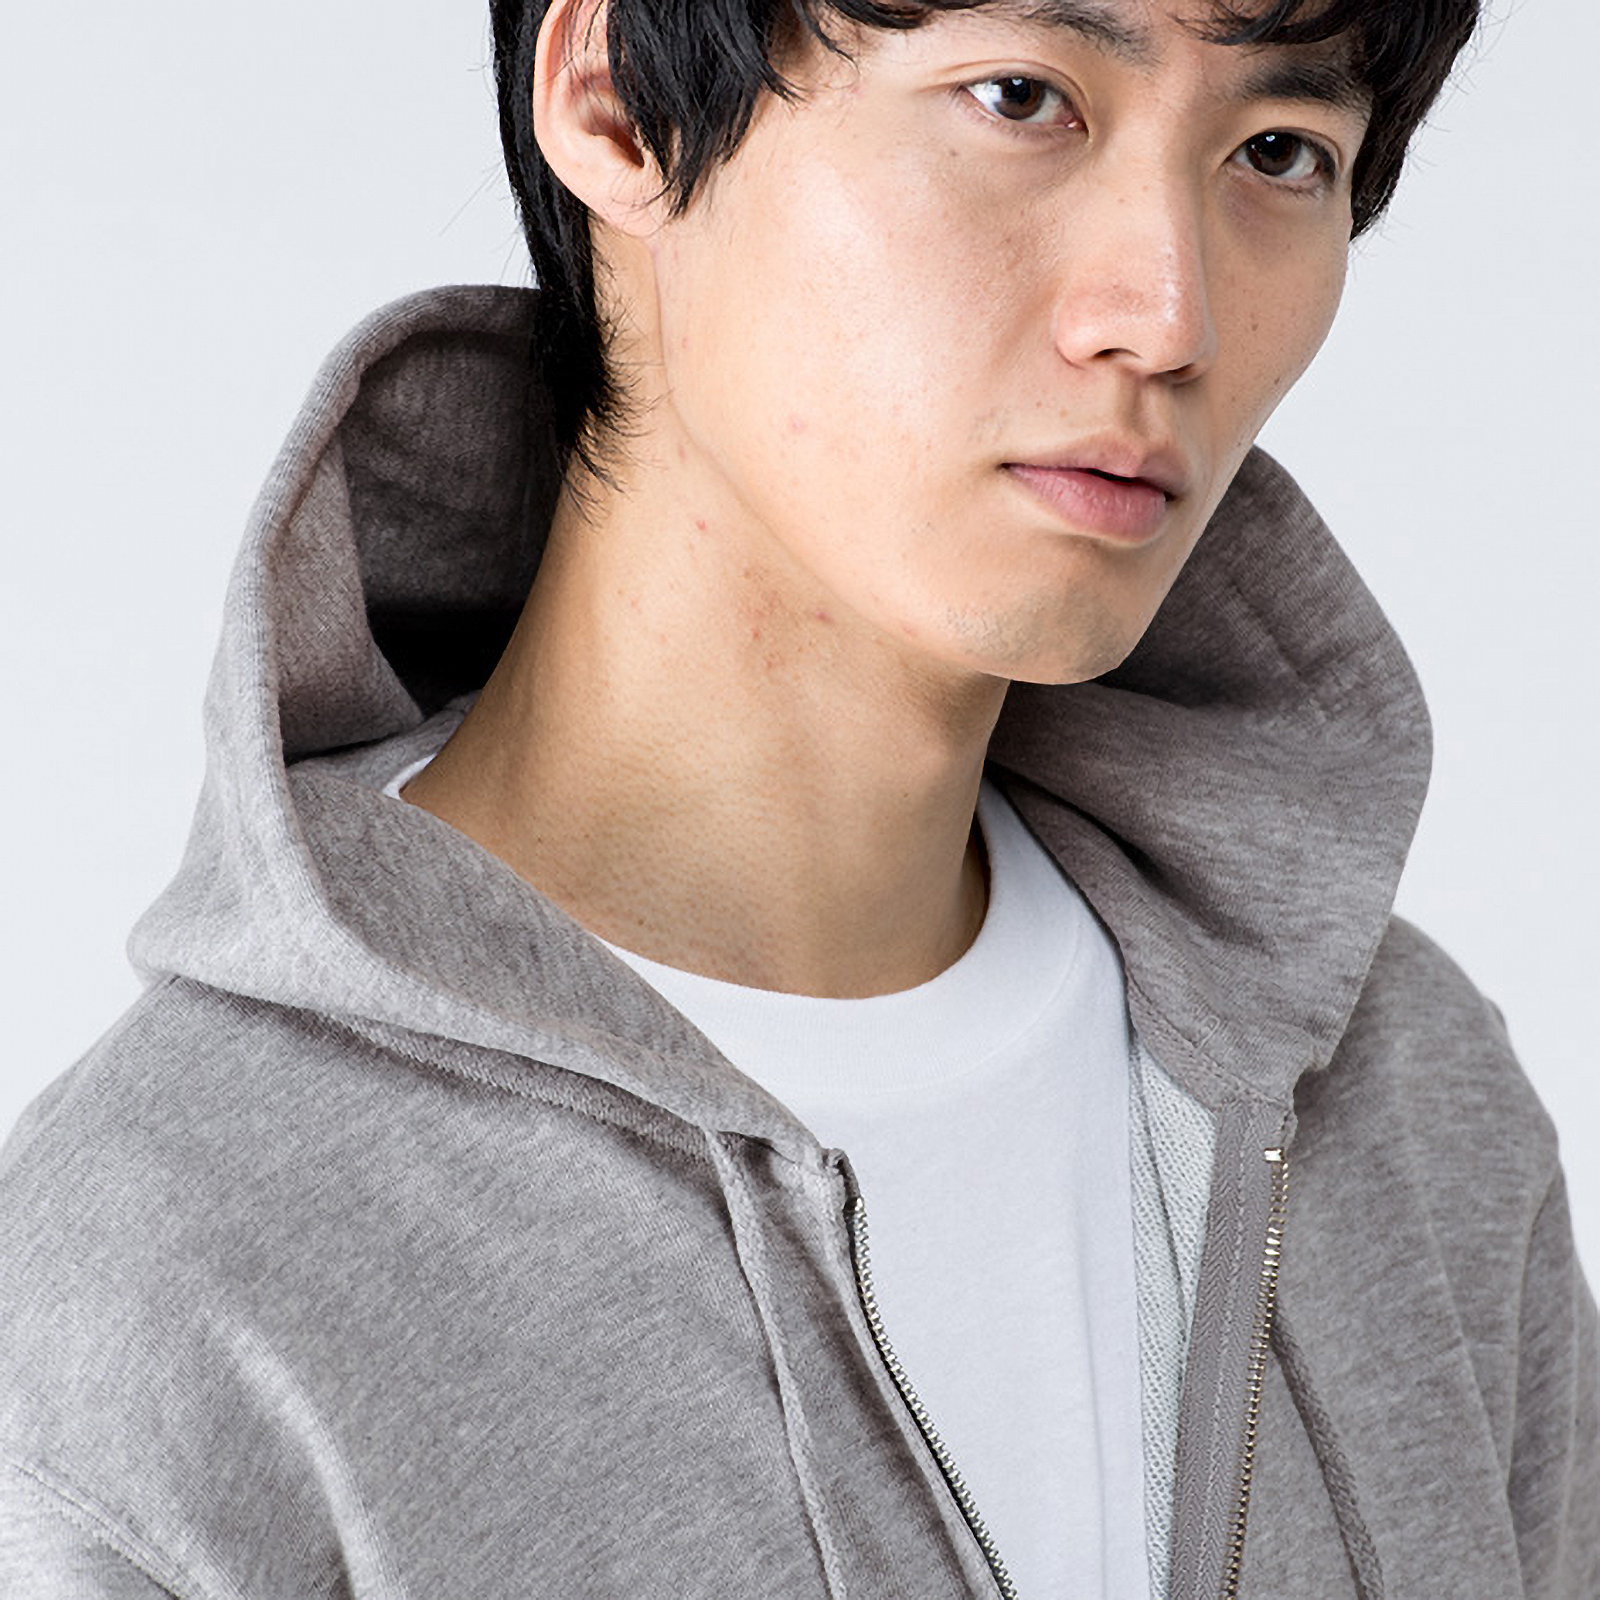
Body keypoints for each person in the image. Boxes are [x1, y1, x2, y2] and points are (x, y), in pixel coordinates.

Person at [2, 0, 1595, 1594]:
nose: (1167, 314)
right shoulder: (162, 1299)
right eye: (1019, 97)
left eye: (1279, 152)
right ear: (617, 100)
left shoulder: (1405, 1112)